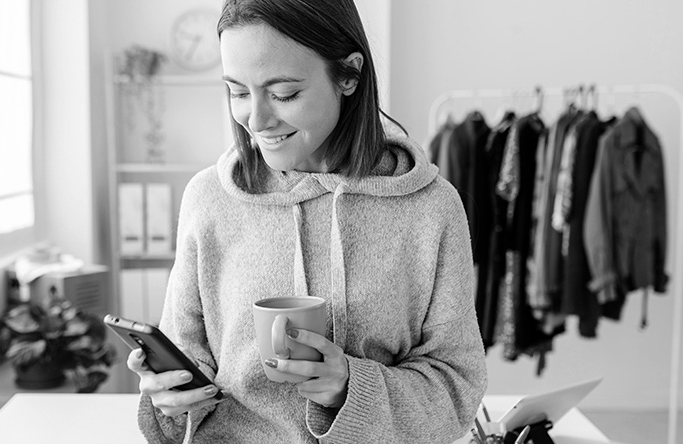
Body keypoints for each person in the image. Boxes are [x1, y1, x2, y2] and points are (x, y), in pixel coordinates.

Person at [126, 0, 488, 442]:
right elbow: (188, 363)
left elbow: (457, 388)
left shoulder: (431, 208)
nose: (255, 120)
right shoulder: (209, 199)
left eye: (284, 94)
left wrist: (350, 387)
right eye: (238, 92)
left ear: (349, 75)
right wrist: (168, 395)